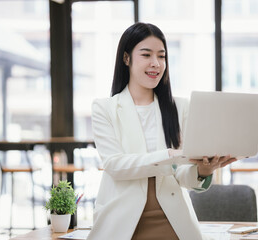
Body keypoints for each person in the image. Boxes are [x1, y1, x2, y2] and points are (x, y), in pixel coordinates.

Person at [88, 22, 237, 240]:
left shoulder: (179, 107)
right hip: (122, 224)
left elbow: (181, 174)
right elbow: (115, 165)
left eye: (162, 56)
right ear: (126, 58)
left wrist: (202, 171)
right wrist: (170, 156)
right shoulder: (105, 108)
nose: (156, 63)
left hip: (172, 222)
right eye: (146, 55)